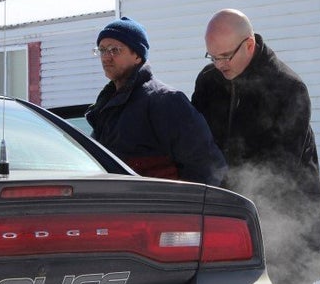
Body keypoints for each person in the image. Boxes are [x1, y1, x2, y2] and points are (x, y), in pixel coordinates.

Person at [192, 9, 320, 284]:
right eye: (212, 56)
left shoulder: (288, 88)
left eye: (225, 56)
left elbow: (277, 174)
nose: (218, 64)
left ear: (248, 45)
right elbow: (198, 146)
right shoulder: (209, 82)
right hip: (229, 231)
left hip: (288, 234)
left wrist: (230, 192)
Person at [86, 16, 227, 186]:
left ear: (138, 56)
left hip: (157, 210)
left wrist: (178, 209)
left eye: (114, 50)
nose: (106, 57)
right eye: (101, 50)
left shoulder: (165, 102)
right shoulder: (104, 108)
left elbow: (208, 168)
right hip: (117, 210)